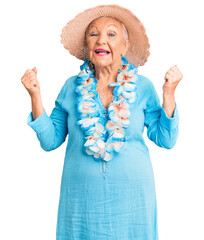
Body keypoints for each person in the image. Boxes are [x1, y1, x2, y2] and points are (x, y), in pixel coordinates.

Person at [21, 4, 183, 240]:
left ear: (125, 46)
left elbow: (166, 139)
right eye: (93, 34)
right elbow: (50, 140)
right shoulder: (71, 87)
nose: (101, 41)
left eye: (111, 34)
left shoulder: (143, 86)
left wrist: (169, 93)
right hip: (80, 203)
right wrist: (35, 96)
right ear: (87, 46)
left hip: (133, 203)